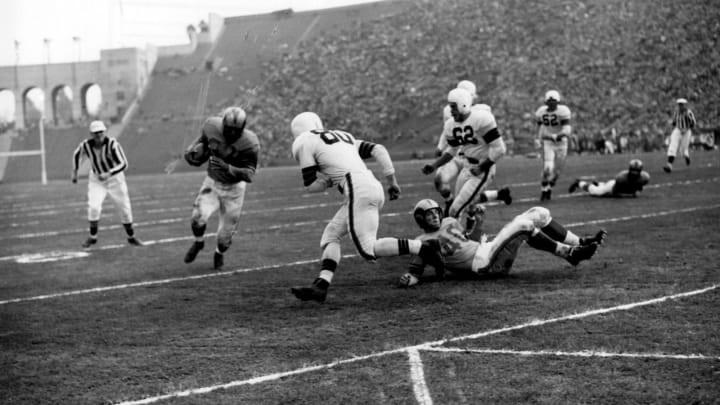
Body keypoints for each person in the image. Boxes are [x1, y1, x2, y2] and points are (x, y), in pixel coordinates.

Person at [288, 112, 444, 302]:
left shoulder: (305, 140)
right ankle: (321, 286)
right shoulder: (343, 136)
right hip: (370, 185)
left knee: (368, 249)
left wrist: (328, 182)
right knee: (330, 236)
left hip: (357, 189)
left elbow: (311, 186)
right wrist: (392, 180)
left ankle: (424, 247)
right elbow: (379, 149)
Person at [398, 199, 606, 287]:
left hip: (485, 250)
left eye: (436, 212)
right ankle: (570, 254)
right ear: (420, 219)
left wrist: (477, 223)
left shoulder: (450, 221)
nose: (434, 217)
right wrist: (411, 277)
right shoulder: (421, 241)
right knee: (524, 225)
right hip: (483, 265)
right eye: (429, 215)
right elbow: (417, 268)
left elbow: (469, 239)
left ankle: (579, 242)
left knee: (539, 213)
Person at [422, 88, 511, 232]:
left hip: (482, 169)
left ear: (463, 104)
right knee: (458, 207)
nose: (451, 111)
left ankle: (456, 241)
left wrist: (482, 167)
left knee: (454, 210)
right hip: (466, 166)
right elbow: (452, 150)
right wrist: (434, 166)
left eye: (453, 107)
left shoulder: (481, 119)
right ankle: (458, 238)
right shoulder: (451, 125)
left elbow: (500, 149)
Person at [183, 106, 260, 270]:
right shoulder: (211, 126)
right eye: (229, 129)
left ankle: (219, 253)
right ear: (223, 124)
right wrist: (192, 155)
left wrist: (228, 168)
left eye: (235, 130)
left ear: (243, 128)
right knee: (197, 219)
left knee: (224, 238)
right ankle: (199, 242)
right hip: (212, 182)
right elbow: (201, 143)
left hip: (234, 189)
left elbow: (250, 174)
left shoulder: (250, 143)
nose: (231, 134)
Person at [71, 120, 143, 248]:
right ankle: (93, 237)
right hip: (97, 179)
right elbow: (77, 154)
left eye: (100, 132)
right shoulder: (86, 145)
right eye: (95, 133)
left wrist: (109, 173)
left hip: (115, 178)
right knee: (93, 206)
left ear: (104, 132)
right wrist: (75, 171)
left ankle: (131, 236)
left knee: (124, 208)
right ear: (91, 134)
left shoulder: (113, 144)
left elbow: (124, 163)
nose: (98, 135)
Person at [534, 90, 572, 201]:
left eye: (553, 101)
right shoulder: (541, 112)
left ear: (557, 101)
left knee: (557, 172)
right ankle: (544, 189)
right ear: (546, 102)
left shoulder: (563, 111)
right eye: (549, 101)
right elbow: (540, 127)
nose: (551, 103)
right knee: (548, 168)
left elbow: (567, 129)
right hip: (549, 143)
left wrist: (558, 135)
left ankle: (550, 185)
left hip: (561, 143)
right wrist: (538, 138)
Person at [568, 159, 650, 198]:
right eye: (633, 171)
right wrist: (631, 195)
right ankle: (579, 183)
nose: (634, 173)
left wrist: (638, 191)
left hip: (621, 187)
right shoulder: (621, 178)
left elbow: (639, 185)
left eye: (636, 171)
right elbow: (615, 193)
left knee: (601, 187)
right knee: (596, 192)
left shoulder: (644, 177)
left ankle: (599, 184)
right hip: (612, 187)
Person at [663, 98, 696, 173]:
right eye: (679, 105)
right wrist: (672, 128)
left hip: (686, 131)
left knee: (683, 149)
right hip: (677, 130)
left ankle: (686, 156)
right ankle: (669, 165)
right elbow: (674, 122)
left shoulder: (689, 113)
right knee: (672, 146)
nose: (680, 106)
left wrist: (686, 128)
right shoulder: (676, 113)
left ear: (685, 105)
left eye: (682, 105)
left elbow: (693, 123)